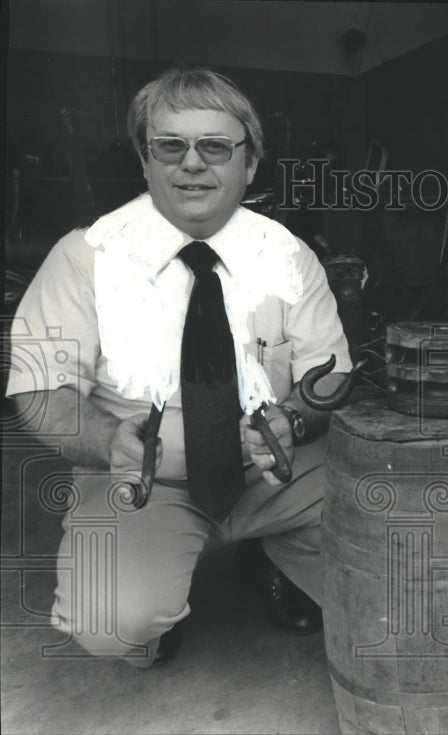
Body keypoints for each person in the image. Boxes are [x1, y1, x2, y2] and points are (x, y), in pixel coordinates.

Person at [6, 68, 352, 666]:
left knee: (394, 567)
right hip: (143, 484)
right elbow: (41, 391)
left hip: (277, 478)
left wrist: (292, 420)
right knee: (113, 626)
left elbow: (332, 374)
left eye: (215, 146)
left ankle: (271, 558)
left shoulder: (289, 256)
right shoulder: (85, 257)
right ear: (145, 161)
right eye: (171, 146)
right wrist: (103, 439)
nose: (192, 163)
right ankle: (157, 606)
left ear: (249, 164)